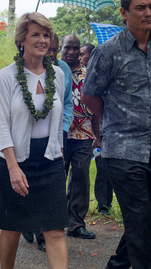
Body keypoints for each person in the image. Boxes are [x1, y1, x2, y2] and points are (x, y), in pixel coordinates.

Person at [81, 0, 151, 269]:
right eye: (141, 8)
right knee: (138, 220)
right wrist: (117, 117)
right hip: (123, 151)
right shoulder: (108, 52)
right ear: (124, 13)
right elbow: (89, 96)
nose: (148, 13)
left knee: (149, 219)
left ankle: (117, 265)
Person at [0, 12, 68, 269]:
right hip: (16, 159)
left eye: (46, 35)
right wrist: (13, 167)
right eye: (35, 34)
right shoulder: (7, 75)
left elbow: (57, 121)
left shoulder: (58, 75)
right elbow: (1, 125)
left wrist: (58, 155)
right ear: (21, 40)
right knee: (12, 229)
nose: (42, 40)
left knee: (55, 230)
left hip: (50, 159)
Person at [22, 33, 73, 251]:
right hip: (26, 142)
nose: (51, 54)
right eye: (48, 49)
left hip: (54, 139)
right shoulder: (17, 72)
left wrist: (59, 132)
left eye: (55, 50)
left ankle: (44, 235)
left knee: (49, 192)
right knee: (28, 189)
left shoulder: (63, 72)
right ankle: (26, 221)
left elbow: (67, 103)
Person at [61, 34, 100, 239]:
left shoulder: (89, 73)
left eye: (76, 48)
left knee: (81, 179)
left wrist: (98, 135)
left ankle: (76, 224)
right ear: (61, 48)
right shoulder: (54, 71)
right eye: (68, 48)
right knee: (57, 178)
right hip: (59, 135)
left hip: (84, 135)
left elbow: (96, 104)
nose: (72, 52)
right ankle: (53, 222)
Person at [80, 43, 113, 215]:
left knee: (106, 168)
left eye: (83, 54)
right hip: (89, 131)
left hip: (105, 128)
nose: (80, 57)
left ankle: (105, 204)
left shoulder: (102, 75)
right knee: (97, 167)